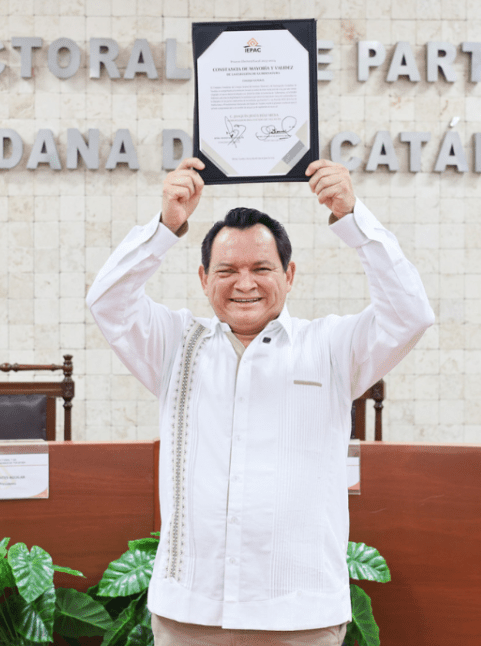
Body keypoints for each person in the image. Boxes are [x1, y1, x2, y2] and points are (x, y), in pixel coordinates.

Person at [86, 157, 434, 645]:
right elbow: (107, 302)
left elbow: (409, 314)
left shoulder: (330, 348)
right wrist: (166, 227)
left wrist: (353, 217)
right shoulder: (174, 344)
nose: (244, 283)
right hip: (191, 613)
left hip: (299, 616)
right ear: (204, 277)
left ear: (289, 275)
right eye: (227, 269)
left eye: (261, 268)